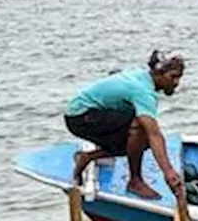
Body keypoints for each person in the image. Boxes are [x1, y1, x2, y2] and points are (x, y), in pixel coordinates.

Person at [65, 50, 186, 201]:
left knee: (140, 141)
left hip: (89, 113)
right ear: (158, 74)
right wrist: (168, 172)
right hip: (81, 117)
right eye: (172, 77)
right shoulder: (143, 92)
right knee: (141, 131)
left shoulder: (142, 76)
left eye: (179, 77)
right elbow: (153, 133)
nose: (176, 83)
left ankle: (88, 157)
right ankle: (135, 181)